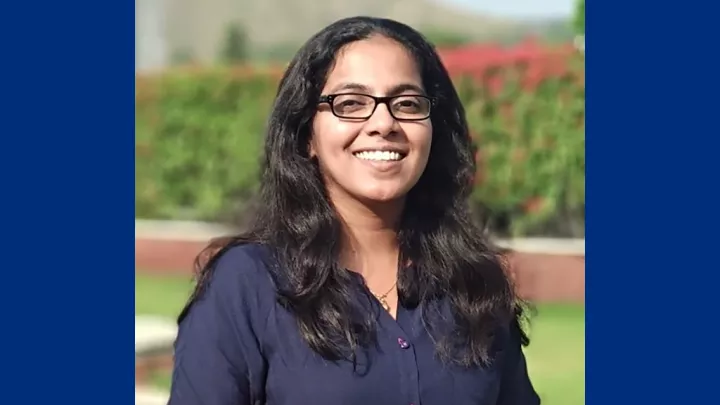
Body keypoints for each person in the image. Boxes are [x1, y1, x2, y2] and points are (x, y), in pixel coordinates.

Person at [168, 16, 540, 405]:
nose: (384, 122)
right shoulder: (248, 285)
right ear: (305, 134)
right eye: (350, 103)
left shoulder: (473, 285)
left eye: (407, 103)